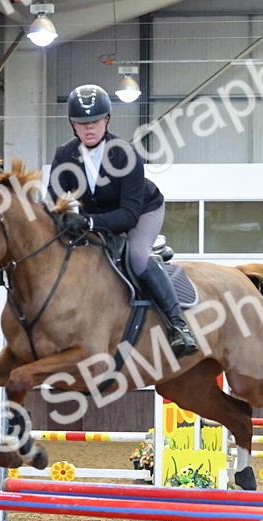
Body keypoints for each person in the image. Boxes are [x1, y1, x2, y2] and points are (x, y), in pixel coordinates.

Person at [48, 84, 198, 358]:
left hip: (141, 212)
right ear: (72, 124)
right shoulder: (64, 155)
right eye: (82, 123)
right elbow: (56, 198)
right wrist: (65, 217)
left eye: (94, 121)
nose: (89, 128)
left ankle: (178, 327)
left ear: (106, 120)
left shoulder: (125, 154)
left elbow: (128, 215)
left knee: (138, 257)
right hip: (96, 216)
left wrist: (88, 223)